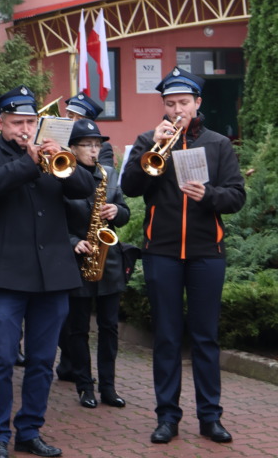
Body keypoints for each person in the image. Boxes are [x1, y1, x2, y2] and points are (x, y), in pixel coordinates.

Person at [0, 85, 95, 458]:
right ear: (2, 124)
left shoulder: (55, 154)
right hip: (7, 274)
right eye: (16, 123)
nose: (24, 129)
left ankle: (30, 430)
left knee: (41, 360)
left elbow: (85, 188)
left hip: (52, 274)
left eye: (29, 122)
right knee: (1, 358)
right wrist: (29, 161)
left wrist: (63, 159)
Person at [121, 66, 246, 445]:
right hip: (161, 252)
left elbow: (236, 196)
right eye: (171, 103)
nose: (177, 110)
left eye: (184, 103)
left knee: (206, 338)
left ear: (197, 103)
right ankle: (167, 418)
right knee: (167, 337)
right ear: (164, 105)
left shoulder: (218, 143)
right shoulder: (148, 140)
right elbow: (130, 187)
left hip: (207, 251)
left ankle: (210, 417)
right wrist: (150, 149)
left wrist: (209, 195)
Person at [63, 119, 130, 409]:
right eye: (87, 145)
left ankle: (108, 387)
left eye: (97, 145)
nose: (93, 150)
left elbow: (124, 213)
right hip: (79, 261)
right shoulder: (62, 175)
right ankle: (84, 386)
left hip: (108, 261)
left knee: (109, 327)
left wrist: (117, 210)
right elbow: (53, 220)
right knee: (78, 328)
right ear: (73, 148)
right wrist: (72, 241)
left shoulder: (109, 174)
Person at [64, 93, 114, 167]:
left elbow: (105, 172)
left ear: (89, 123)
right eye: (70, 116)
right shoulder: (56, 142)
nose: (73, 121)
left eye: (79, 119)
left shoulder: (103, 147)